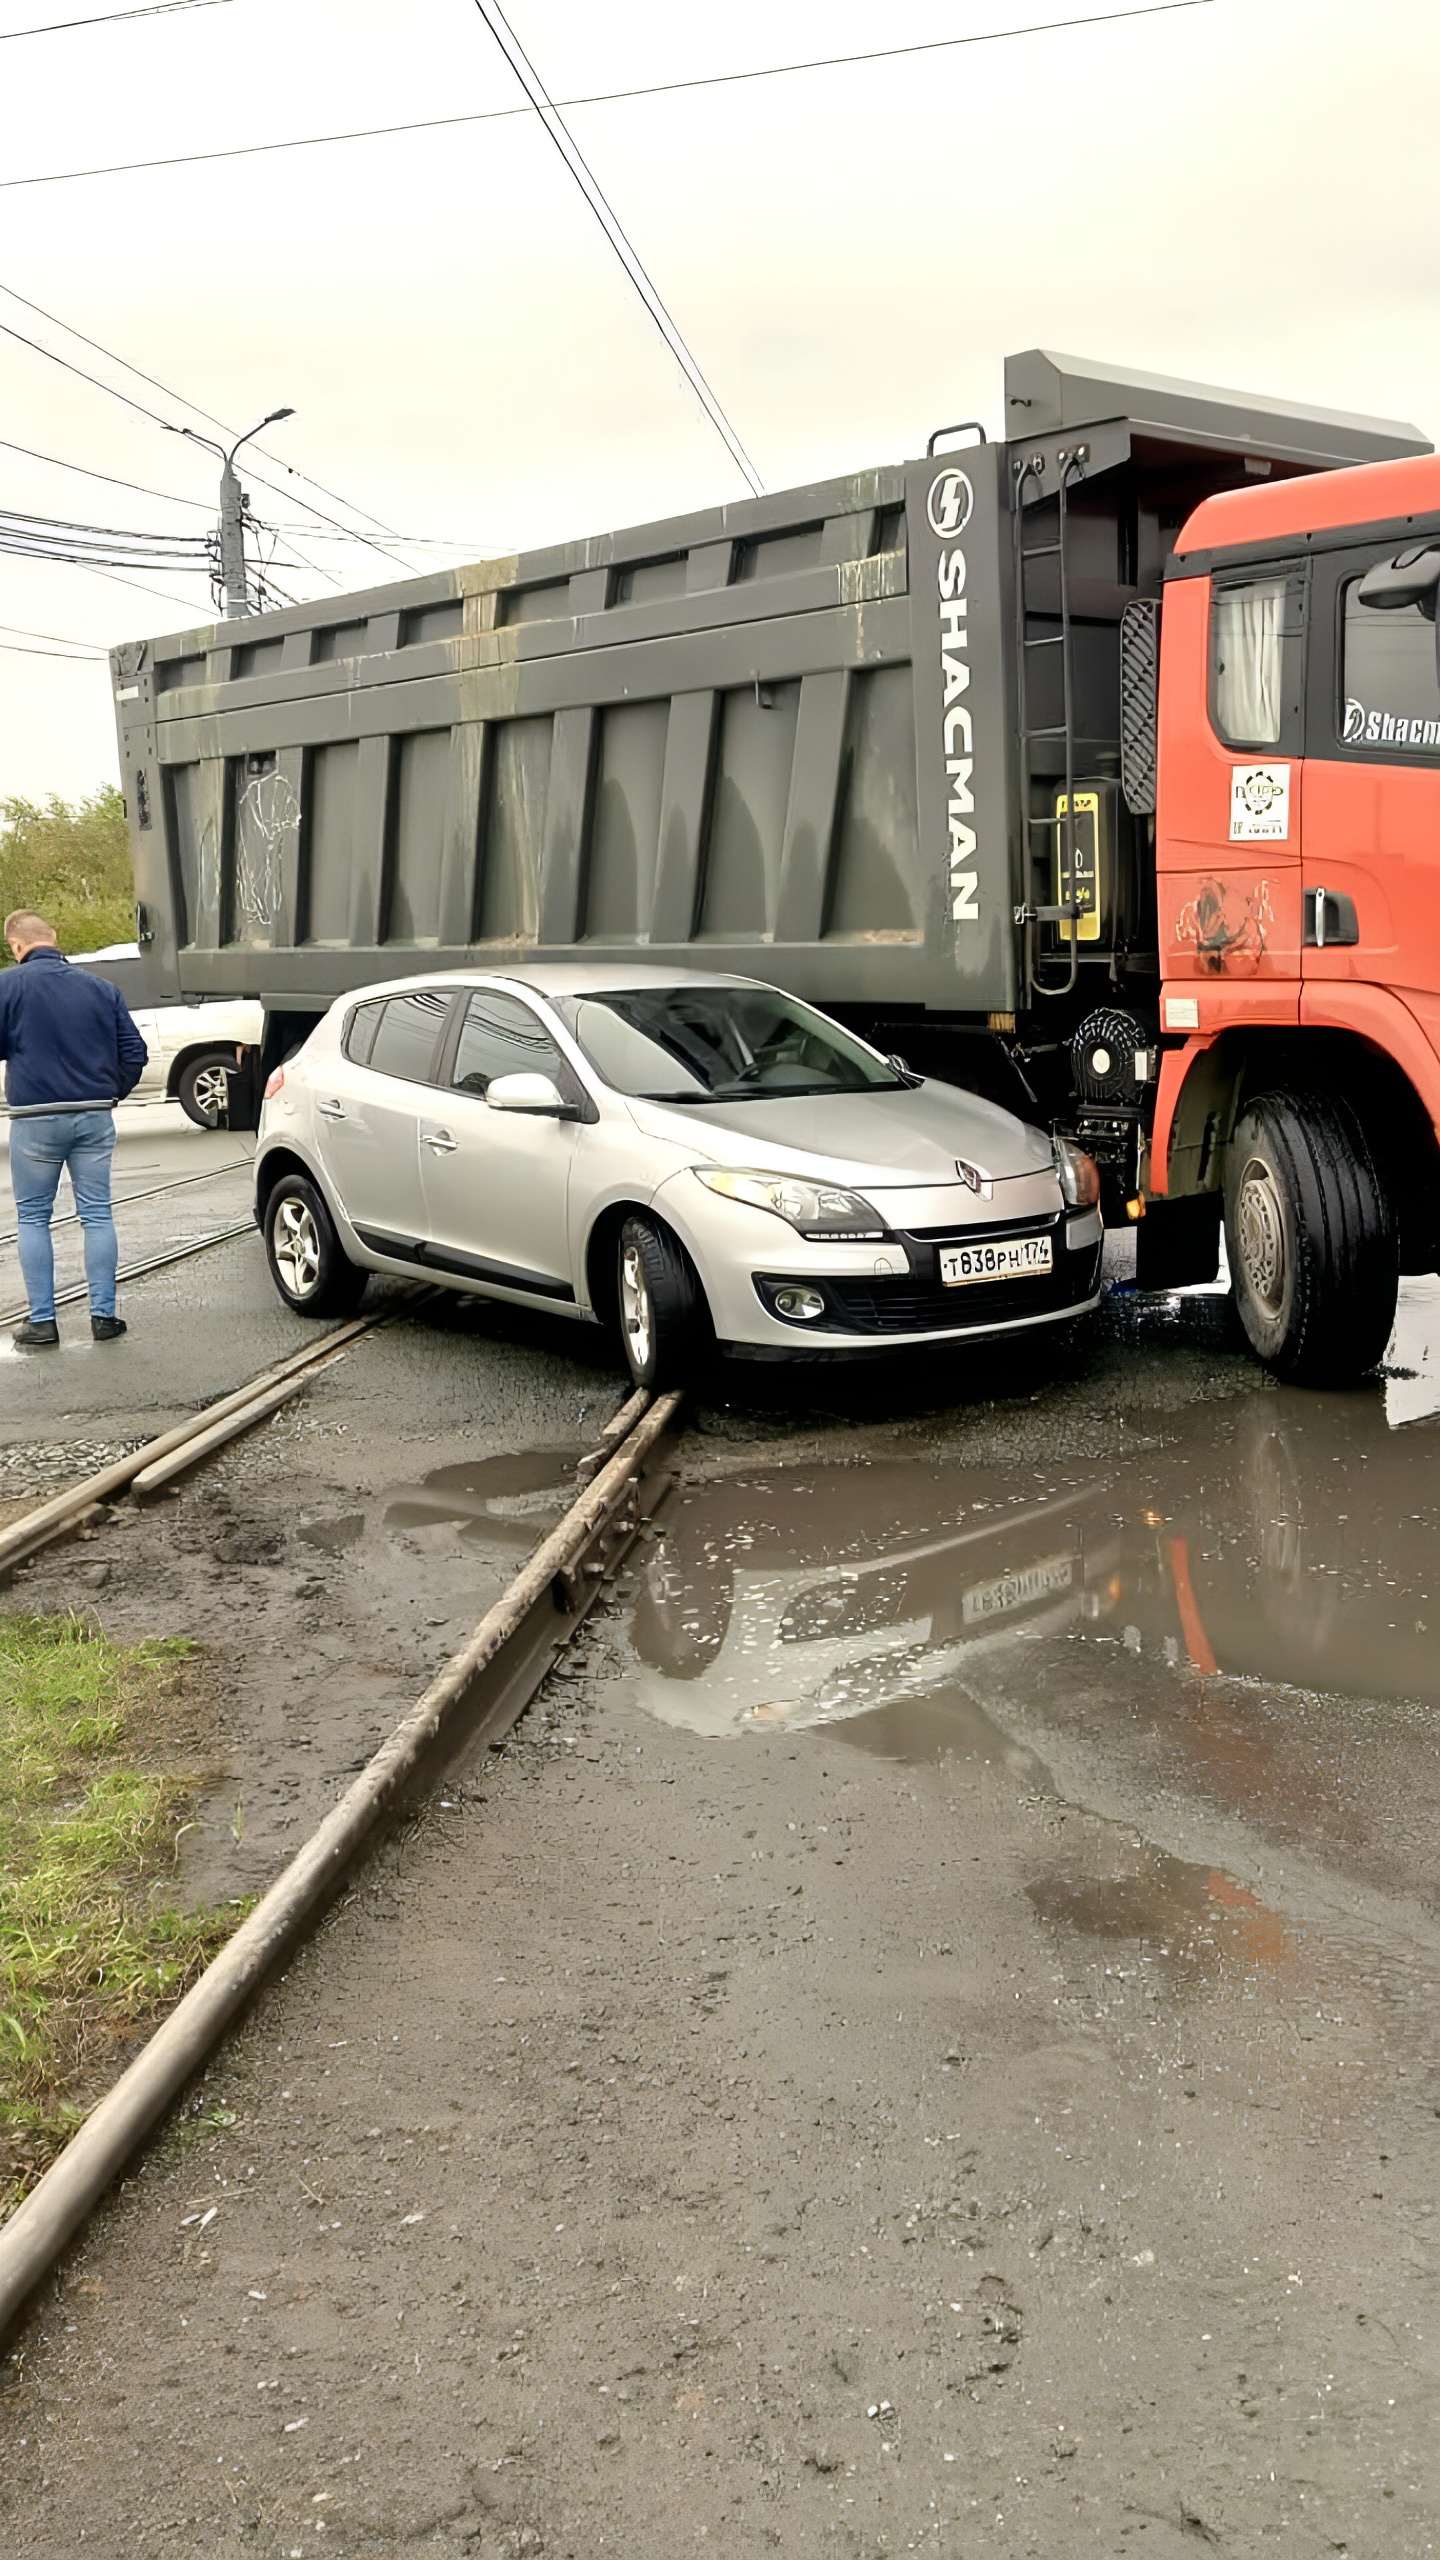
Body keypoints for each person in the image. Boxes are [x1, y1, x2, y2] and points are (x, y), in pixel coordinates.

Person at [0, 910, 147, 1348]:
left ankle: (42, 1322)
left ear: (16, 946)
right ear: (54, 938)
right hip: (93, 1114)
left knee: (32, 1217)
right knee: (97, 1213)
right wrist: (109, 1092)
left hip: (35, 1119)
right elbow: (134, 1053)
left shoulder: (6, 986)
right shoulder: (102, 988)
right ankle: (104, 1317)